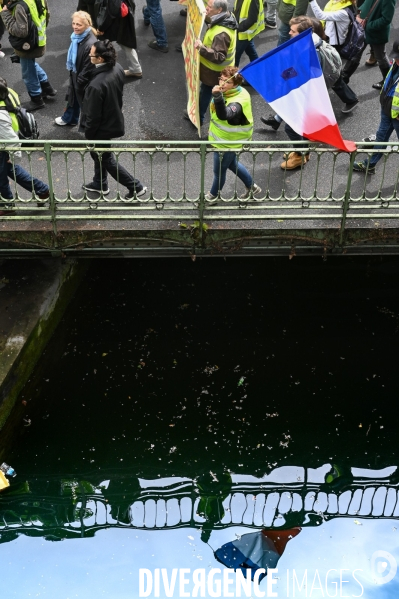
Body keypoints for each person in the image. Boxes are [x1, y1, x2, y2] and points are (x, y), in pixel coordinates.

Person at [81, 40, 147, 200]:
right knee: (100, 155)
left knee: (106, 159)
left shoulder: (96, 86)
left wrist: (88, 134)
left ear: (100, 59)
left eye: (92, 55)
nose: (90, 56)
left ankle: (135, 186)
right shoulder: (117, 68)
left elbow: (93, 116)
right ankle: (99, 183)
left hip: (100, 128)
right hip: (111, 119)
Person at [206, 66, 261, 200]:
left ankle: (212, 197)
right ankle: (252, 187)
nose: (222, 83)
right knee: (232, 164)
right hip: (225, 139)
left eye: (227, 81)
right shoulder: (233, 91)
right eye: (221, 79)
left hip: (228, 142)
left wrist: (217, 97)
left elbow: (225, 114)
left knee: (219, 171)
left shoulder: (238, 100)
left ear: (235, 84)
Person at [0, 77, 49, 212]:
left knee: (1, 178)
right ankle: (42, 190)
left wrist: (14, 156)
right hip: (6, 143)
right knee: (11, 170)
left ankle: (7, 205)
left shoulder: (0, 116)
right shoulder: (8, 92)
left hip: (3, 145)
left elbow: (11, 139)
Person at [1, 0, 57, 112]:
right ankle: (46, 87)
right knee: (30, 64)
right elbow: (47, 16)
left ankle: (36, 99)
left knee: (28, 73)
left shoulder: (19, 6)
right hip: (38, 40)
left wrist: (5, 14)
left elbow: (20, 32)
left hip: (27, 45)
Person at [352, 40, 399, 174]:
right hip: (387, 109)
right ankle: (369, 165)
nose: (396, 60)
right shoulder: (395, 64)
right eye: (395, 56)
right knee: (381, 137)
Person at [308, 2, 359, 112]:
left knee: (331, 74)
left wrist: (312, 1)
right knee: (333, 74)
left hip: (335, 44)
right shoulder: (339, 6)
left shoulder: (343, 12)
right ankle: (350, 99)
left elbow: (321, 15)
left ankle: (351, 99)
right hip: (331, 41)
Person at [193, 0, 237, 126]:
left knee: (206, 92)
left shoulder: (221, 34)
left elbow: (219, 56)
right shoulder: (228, 16)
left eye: (209, 7)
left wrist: (201, 48)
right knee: (213, 92)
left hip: (213, 70)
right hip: (220, 69)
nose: (207, 8)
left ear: (219, 10)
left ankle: (199, 118)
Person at [55, 11, 97, 127]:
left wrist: (78, 83)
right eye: (73, 23)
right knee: (73, 98)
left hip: (82, 79)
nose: (75, 27)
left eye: (79, 24)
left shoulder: (89, 44)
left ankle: (89, 129)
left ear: (87, 25)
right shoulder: (78, 37)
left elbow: (88, 68)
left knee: (84, 104)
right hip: (76, 74)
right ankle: (70, 118)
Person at [341, 0, 395, 89]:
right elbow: (366, 4)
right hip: (365, 28)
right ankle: (344, 76)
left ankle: (388, 82)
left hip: (376, 32)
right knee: (357, 51)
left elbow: (386, 19)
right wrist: (358, 14)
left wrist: (368, 25)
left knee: (381, 56)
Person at [96, 0, 142, 77]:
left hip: (113, 22)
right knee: (126, 43)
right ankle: (136, 69)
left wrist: (101, 27)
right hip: (124, 19)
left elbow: (110, 12)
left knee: (102, 44)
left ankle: (103, 70)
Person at [233, 0, 264, 67]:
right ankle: (258, 68)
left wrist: (238, 28)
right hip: (242, 31)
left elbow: (252, 19)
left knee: (235, 56)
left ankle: (233, 75)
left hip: (244, 33)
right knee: (251, 52)